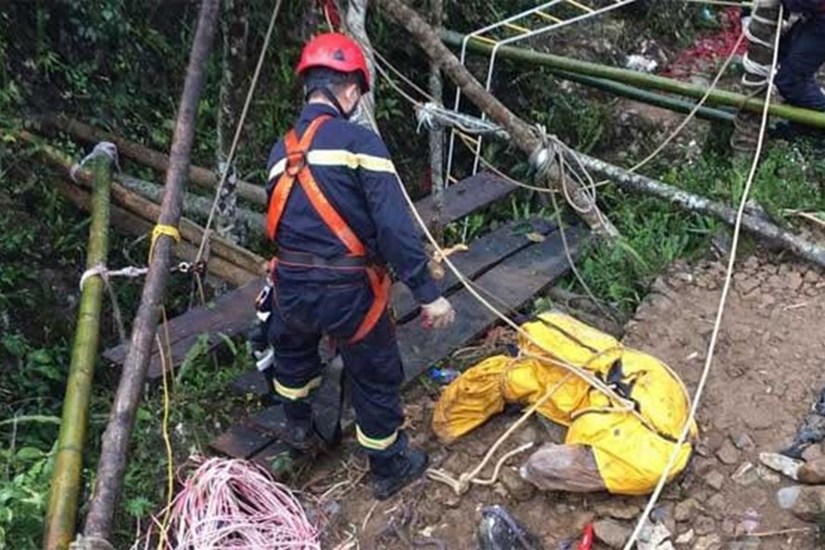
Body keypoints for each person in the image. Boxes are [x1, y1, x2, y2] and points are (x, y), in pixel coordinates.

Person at [262, 32, 456, 501]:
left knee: (293, 359)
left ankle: (299, 428)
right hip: (349, 291)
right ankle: (388, 465)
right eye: (357, 93)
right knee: (374, 373)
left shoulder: (278, 151)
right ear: (349, 89)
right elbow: (393, 227)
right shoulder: (360, 142)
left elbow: (283, 226)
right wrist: (428, 293)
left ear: (309, 86)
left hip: (291, 284)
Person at [775, 0, 825, 112]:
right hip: (813, 17)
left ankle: (818, 117)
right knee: (780, 56)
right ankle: (805, 118)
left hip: (818, 19)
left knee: (790, 81)